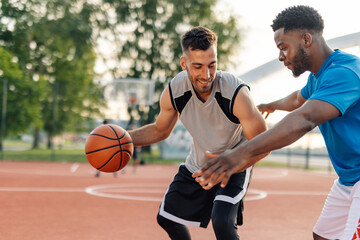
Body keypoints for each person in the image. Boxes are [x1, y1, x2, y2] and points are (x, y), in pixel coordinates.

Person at [193, 5, 360, 240]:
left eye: (283, 47)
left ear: (306, 39)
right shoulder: (319, 77)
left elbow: (305, 118)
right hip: (349, 181)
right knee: (322, 236)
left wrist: (240, 153)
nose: (281, 56)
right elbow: (296, 100)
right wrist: (269, 105)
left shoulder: (345, 72)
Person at [127, 26, 267, 240]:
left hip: (236, 161)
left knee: (221, 220)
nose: (206, 74)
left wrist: (233, 163)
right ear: (184, 64)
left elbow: (262, 141)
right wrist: (124, 139)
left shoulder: (235, 92)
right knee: (167, 218)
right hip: (199, 164)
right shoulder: (175, 90)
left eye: (212, 65)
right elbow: (160, 130)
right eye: (198, 66)